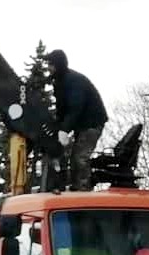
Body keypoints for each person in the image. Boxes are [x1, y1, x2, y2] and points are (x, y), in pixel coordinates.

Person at [44, 49, 108, 191]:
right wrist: (58, 127)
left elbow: (75, 108)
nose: (49, 67)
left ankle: (83, 188)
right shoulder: (59, 82)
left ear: (58, 64)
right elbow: (62, 109)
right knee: (73, 157)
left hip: (92, 122)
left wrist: (64, 129)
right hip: (81, 124)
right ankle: (76, 186)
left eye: (51, 64)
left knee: (80, 157)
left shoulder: (73, 81)